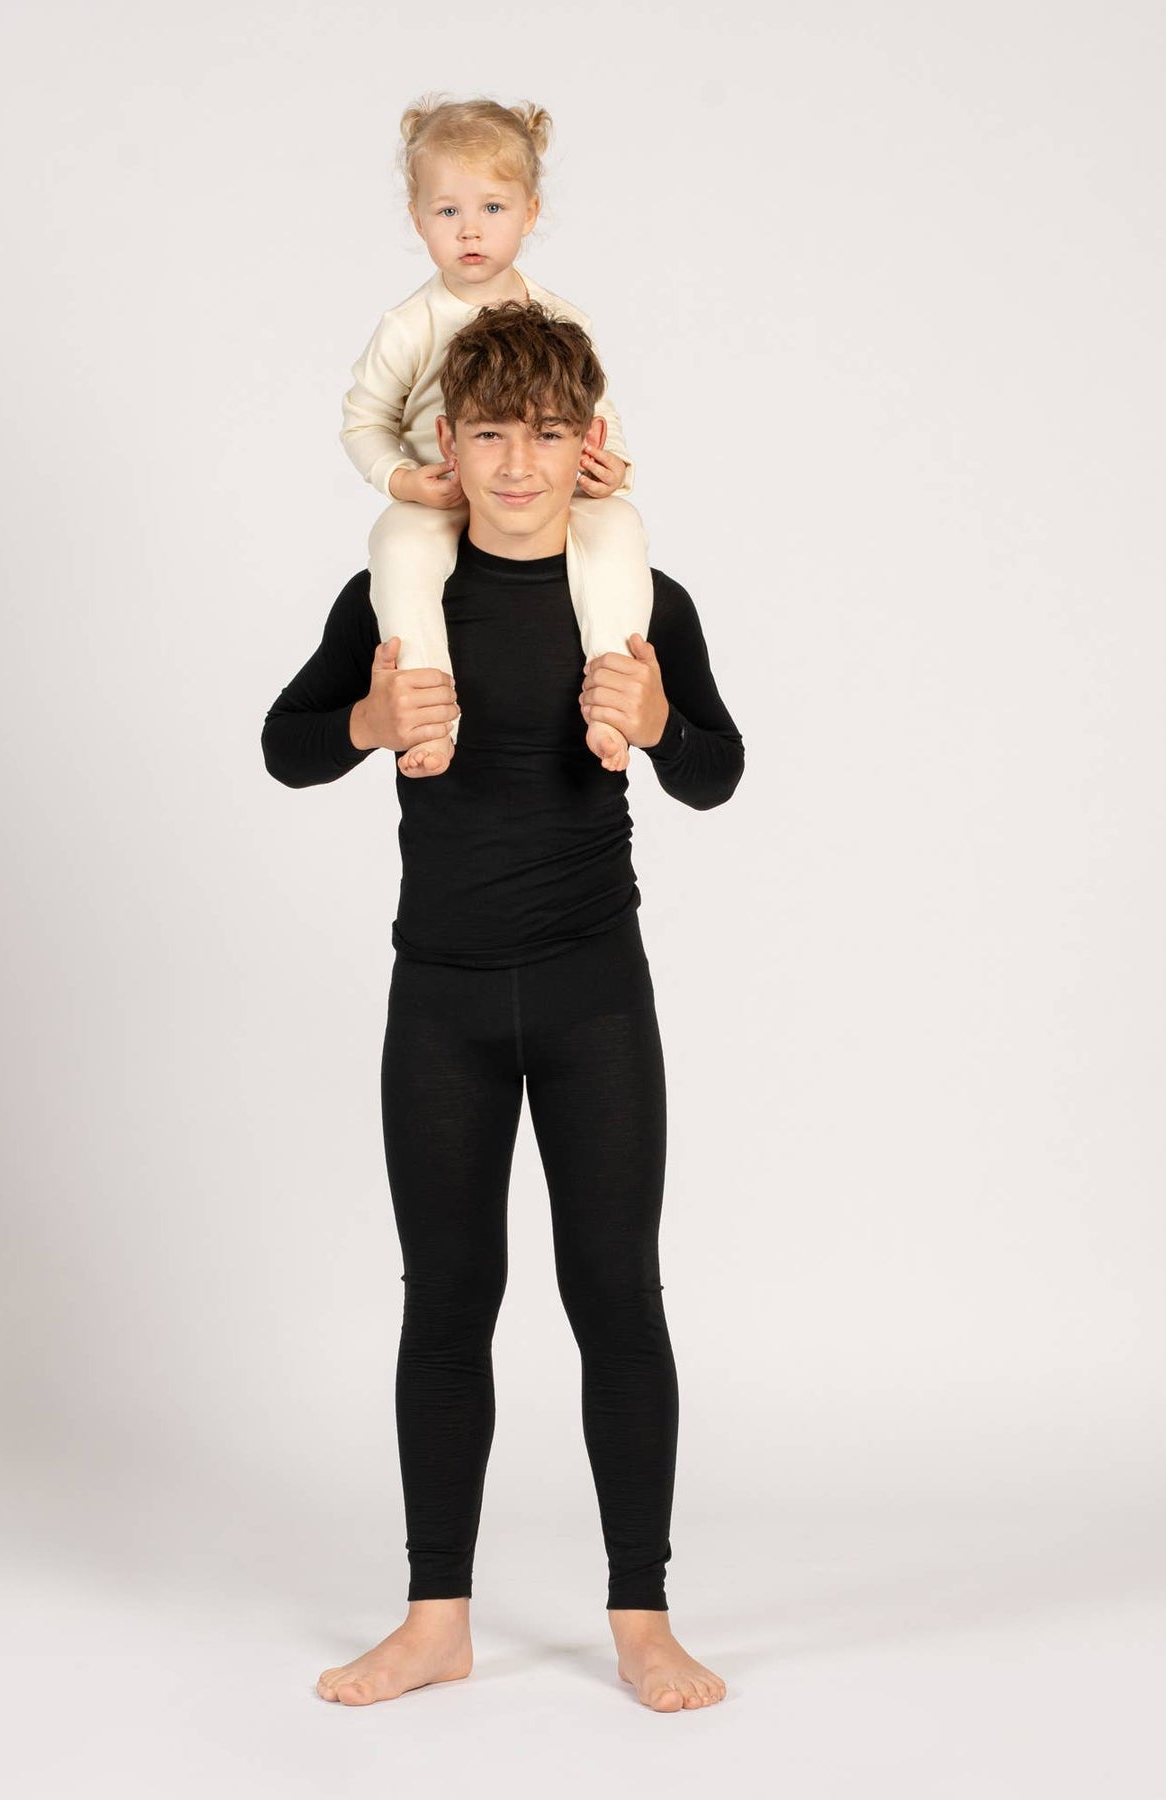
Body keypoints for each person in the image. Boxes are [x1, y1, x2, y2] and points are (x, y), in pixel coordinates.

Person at [263, 300, 743, 1713]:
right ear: (446, 444)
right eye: (488, 435)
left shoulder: (641, 599)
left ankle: (643, 1619)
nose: (517, 466)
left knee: (616, 1298)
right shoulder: (394, 599)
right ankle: (437, 1621)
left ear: (588, 442)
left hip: (596, 998)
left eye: (543, 434)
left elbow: (717, 769)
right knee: (447, 1304)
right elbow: (287, 744)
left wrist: (657, 727)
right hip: (442, 1003)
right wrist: (369, 722)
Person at [341, 93, 650, 779]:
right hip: (444, 496)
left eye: (493, 208)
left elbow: (596, 409)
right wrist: (403, 480)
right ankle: (428, 720)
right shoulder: (408, 327)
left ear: (530, 213)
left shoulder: (562, 318)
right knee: (396, 546)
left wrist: (614, 466)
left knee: (620, 528)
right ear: (418, 219)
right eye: (448, 212)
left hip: (539, 504)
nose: (470, 231)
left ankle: (611, 704)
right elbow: (364, 421)